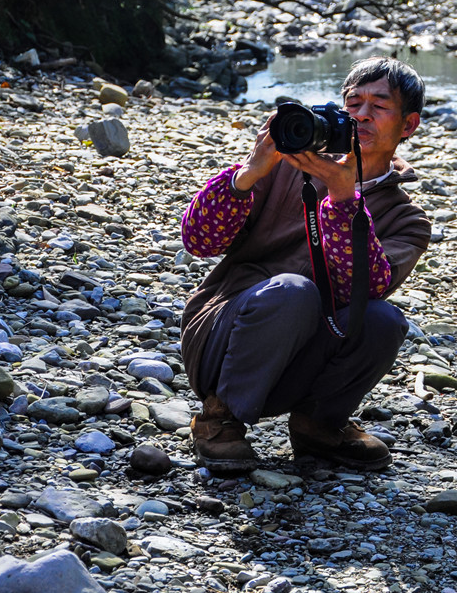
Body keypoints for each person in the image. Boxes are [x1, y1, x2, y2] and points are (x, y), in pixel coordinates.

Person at [180, 57, 431, 473]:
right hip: (224, 344)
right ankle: (218, 418)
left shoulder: (407, 220)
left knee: (383, 320)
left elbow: (367, 288)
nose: (362, 115)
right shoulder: (285, 166)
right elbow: (199, 241)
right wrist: (247, 174)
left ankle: (319, 424)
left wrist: (342, 199)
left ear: (408, 125)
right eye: (354, 104)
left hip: (306, 359)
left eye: (379, 106)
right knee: (294, 291)